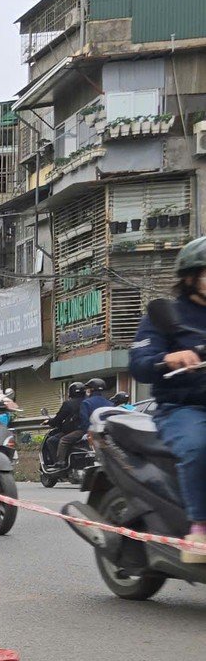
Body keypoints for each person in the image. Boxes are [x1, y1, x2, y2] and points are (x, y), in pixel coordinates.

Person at [128, 234, 206, 560]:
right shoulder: (166, 316)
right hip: (182, 408)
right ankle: (199, 528)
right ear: (191, 277)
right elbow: (140, 365)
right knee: (199, 446)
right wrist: (170, 359)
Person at [42, 381, 87, 470]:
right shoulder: (88, 402)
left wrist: (49, 422)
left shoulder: (68, 404)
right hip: (90, 430)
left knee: (52, 440)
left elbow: (59, 418)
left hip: (76, 431)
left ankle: (59, 463)